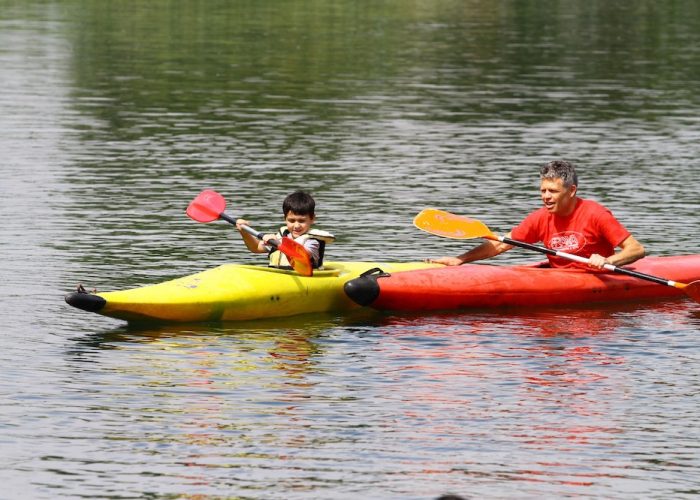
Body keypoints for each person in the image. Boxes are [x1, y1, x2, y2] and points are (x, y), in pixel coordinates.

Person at [430, 160, 645, 269]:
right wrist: (460, 259)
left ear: (571, 191)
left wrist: (609, 260)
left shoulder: (595, 214)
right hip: (558, 277)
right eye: (543, 190)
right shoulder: (540, 217)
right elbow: (501, 243)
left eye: (553, 191)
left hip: (595, 278)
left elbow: (637, 249)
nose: (546, 196)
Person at [235, 190, 334, 269]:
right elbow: (255, 247)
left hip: (305, 280)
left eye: (301, 221)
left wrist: (278, 243)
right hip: (279, 278)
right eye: (291, 220)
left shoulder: (312, 241)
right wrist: (244, 232)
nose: (296, 225)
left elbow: (302, 255)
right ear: (285, 219)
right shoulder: (282, 235)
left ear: (312, 219)